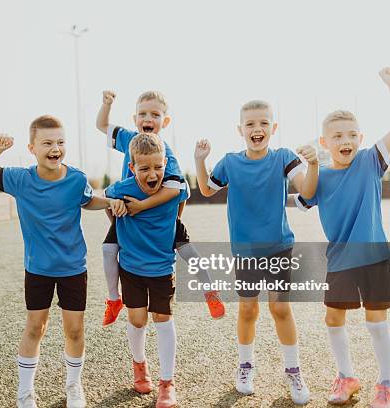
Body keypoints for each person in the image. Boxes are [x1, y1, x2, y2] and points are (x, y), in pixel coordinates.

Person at [0, 115, 127, 408]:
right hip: (38, 270)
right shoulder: (19, 179)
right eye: (47, 143)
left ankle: (73, 386)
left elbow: (86, 200)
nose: (55, 148)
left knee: (75, 330)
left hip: (73, 269)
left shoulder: (76, 179)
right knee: (35, 328)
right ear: (32, 148)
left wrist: (107, 201)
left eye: (60, 142)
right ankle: (26, 392)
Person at [194, 100, 318, 405]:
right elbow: (207, 189)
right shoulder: (230, 162)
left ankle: (293, 371)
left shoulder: (283, 158)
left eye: (263, 123)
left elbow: (308, 191)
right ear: (240, 130)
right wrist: (200, 160)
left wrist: (314, 165)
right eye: (250, 124)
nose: (257, 129)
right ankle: (246, 367)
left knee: (280, 310)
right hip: (245, 251)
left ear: (273, 128)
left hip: (279, 247)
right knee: (248, 310)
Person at [296, 68, 390, 408]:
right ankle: (347, 376)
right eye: (337, 136)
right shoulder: (322, 175)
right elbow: (305, 195)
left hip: (374, 258)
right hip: (340, 260)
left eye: (351, 135)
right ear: (324, 142)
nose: (345, 141)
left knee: (376, 320)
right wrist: (312, 164)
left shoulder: (371, 161)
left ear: (360, 138)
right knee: (333, 318)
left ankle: (384, 383)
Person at [96, 90, 225, 327]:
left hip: (161, 216)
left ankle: (209, 290)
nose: (148, 118)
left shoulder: (166, 152)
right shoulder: (127, 139)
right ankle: (113, 299)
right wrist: (107, 104)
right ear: (134, 118)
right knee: (107, 250)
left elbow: (178, 190)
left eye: (155, 114)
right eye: (142, 114)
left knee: (188, 252)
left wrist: (170, 218)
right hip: (130, 218)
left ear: (164, 122)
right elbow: (102, 125)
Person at [105, 132, 189, 408]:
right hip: (131, 268)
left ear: (165, 163)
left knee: (163, 319)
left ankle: (167, 383)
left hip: (162, 267)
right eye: (144, 168)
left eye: (158, 167)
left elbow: (182, 197)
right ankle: (139, 365)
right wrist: (115, 206)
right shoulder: (121, 189)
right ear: (132, 167)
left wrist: (174, 224)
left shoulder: (174, 186)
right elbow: (108, 201)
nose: (152, 173)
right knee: (138, 320)